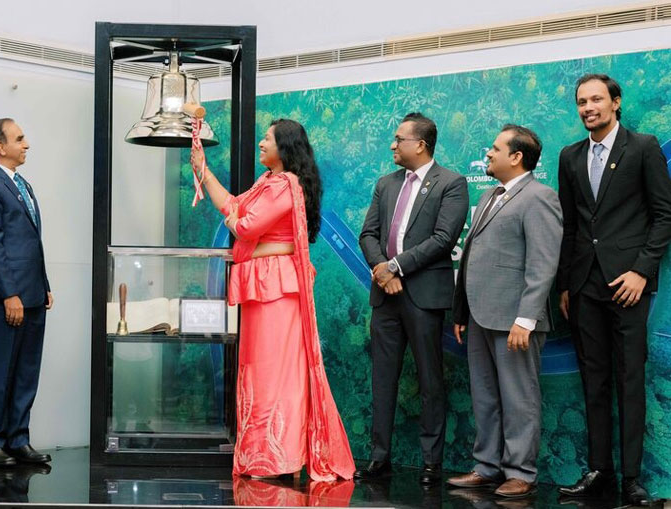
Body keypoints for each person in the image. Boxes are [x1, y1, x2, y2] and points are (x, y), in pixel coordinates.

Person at [191, 118, 355, 481]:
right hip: (263, 282)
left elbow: (246, 226)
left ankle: (278, 457)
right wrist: (203, 170)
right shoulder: (267, 183)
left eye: (267, 138)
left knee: (272, 372)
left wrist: (237, 216)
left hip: (276, 285)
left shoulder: (285, 185)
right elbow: (233, 207)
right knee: (258, 369)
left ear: (285, 147)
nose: (261, 143)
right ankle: (261, 455)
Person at [556, 74, 671, 506]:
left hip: (628, 286)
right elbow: (571, 227)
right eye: (582, 101)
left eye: (597, 99)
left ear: (616, 103)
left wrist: (642, 271)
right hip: (584, 285)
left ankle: (633, 480)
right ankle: (600, 472)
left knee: (629, 379)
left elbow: (664, 216)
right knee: (594, 381)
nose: (589, 108)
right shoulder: (569, 156)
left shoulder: (643, 147)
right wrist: (566, 284)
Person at [449, 125, 562, 498]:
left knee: (519, 397)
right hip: (480, 316)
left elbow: (543, 264)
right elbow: (470, 260)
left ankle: (521, 472)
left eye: (495, 149)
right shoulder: (487, 196)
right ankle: (487, 466)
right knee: (485, 395)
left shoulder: (540, 197)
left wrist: (525, 319)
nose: (489, 154)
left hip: (516, 320)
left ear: (517, 157)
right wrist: (461, 312)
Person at [356, 112, 468, 484]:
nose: (392, 145)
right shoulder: (386, 184)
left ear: (419, 145)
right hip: (384, 296)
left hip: (423, 295)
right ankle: (379, 457)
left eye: (399, 139)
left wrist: (396, 267)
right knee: (382, 378)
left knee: (429, 380)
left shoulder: (451, 183)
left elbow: (443, 239)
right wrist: (381, 270)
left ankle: (431, 463)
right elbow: (368, 234)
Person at [0, 118, 53, 467]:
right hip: (4, 299)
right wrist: (10, 294)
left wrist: (44, 285)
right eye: (19, 139)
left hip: (33, 294)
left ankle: (18, 438)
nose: (27, 144)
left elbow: (31, 242)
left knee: (26, 370)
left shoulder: (23, 184)